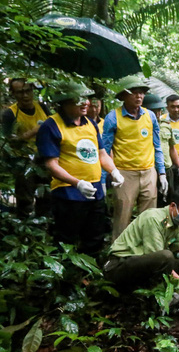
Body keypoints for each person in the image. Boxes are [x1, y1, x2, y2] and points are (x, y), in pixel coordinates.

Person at [36, 81, 124, 259]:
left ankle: (90, 276)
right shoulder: (51, 126)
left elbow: (102, 155)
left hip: (95, 192)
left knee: (95, 236)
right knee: (66, 239)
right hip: (68, 194)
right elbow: (51, 164)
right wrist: (77, 183)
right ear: (65, 101)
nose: (86, 103)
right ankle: (65, 278)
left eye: (86, 98)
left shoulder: (90, 124)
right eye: (79, 99)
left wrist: (114, 171)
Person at [103, 187, 179, 306]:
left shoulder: (172, 222)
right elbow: (159, 259)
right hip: (118, 266)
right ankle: (166, 294)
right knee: (166, 257)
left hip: (137, 263)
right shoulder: (154, 219)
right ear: (173, 206)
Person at [103, 75, 168, 240]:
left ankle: (147, 252)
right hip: (124, 174)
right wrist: (104, 178)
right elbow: (104, 150)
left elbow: (157, 146)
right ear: (124, 95)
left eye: (142, 93)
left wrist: (161, 173)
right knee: (122, 216)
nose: (139, 96)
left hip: (148, 173)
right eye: (134, 92)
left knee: (149, 216)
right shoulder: (113, 117)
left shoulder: (150, 116)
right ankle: (117, 255)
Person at [0, 77, 52, 217]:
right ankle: (24, 229)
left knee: (46, 196)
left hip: (44, 157)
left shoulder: (42, 107)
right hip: (23, 160)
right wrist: (31, 133)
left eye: (28, 91)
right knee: (25, 199)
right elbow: (8, 142)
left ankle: (43, 226)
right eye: (20, 92)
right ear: (13, 94)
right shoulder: (10, 114)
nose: (25, 95)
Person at [143, 93, 179, 205]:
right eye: (153, 110)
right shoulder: (141, 126)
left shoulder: (166, 125)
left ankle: (167, 222)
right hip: (150, 169)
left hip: (167, 169)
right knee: (151, 201)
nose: (157, 114)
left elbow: (172, 148)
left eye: (159, 110)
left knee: (169, 201)